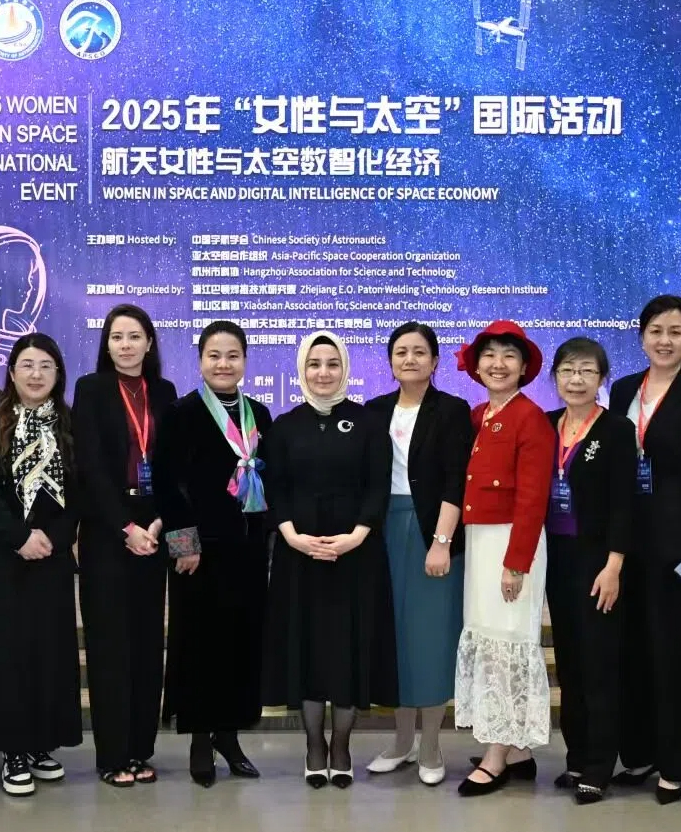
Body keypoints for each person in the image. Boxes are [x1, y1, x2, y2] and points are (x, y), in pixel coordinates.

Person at [262, 330, 395, 789]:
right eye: (314, 364)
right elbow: (276, 488)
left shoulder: (368, 422)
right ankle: (314, 745)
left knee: (346, 651)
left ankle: (341, 746)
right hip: (299, 557)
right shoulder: (284, 426)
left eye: (332, 363)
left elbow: (377, 485)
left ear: (345, 369)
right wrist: (291, 536)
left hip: (354, 557)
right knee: (308, 651)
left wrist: (356, 536)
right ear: (302, 370)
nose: (323, 372)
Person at [610, 294, 681, 804]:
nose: (665, 340)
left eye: (675, 332)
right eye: (656, 331)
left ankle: (675, 765)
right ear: (641, 337)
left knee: (673, 652)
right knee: (631, 649)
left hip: (678, 544)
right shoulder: (623, 390)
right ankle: (639, 753)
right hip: (627, 542)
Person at [0, 333, 84, 796]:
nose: (36, 374)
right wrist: (19, 538)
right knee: (8, 656)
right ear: (12, 372)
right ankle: (13, 750)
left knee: (48, 654)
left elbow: (79, 493)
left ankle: (40, 743)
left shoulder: (69, 424)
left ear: (58, 374)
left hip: (51, 559)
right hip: (3, 558)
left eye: (45, 366)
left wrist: (54, 538)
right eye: (27, 365)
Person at [158, 320, 273, 787]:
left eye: (232, 355)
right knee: (199, 646)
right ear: (200, 360)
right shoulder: (181, 413)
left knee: (239, 646)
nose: (223, 364)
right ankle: (200, 740)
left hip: (246, 552)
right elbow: (166, 483)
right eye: (214, 355)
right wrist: (183, 544)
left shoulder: (259, 414)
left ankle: (229, 736)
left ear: (244, 360)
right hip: (199, 554)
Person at [72, 304, 176, 787]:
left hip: (153, 530)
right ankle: (112, 754)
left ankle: (139, 749)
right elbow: (90, 469)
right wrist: (125, 528)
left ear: (149, 343)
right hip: (107, 533)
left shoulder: (165, 392)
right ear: (107, 344)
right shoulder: (91, 390)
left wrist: (158, 523)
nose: (126, 345)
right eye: (117, 337)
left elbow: (172, 466)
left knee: (146, 646)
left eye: (135, 336)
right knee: (109, 646)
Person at [363, 322, 470, 786]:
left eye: (419, 352)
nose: (410, 359)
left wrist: (441, 542)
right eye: (401, 352)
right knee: (395, 639)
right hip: (383, 532)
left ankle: (430, 744)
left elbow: (456, 480)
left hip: (430, 532)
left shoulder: (452, 410)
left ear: (435, 361)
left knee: (430, 639)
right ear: (390, 361)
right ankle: (401, 741)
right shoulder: (373, 411)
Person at [452, 320, 553, 797]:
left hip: (513, 543)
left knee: (507, 643)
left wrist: (516, 564)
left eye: (509, 356)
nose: (498, 364)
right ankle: (517, 751)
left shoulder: (530, 418)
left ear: (524, 366)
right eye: (489, 355)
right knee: (490, 640)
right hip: (481, 541)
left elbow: (532, 499)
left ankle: (495, 756)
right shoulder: (479, 416)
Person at [540, 337, 636, 803]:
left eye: (586, 371)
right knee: (570, 662)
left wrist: (614, 564)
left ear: (601, 379)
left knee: (599, 663)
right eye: (567, 371)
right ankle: (576, 756)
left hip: (599, 561)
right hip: (556, 558)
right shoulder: (546, 425)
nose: (575, 380)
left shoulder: (616, 429)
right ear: (554, 376)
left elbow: (624, 503)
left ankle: (599, 765)